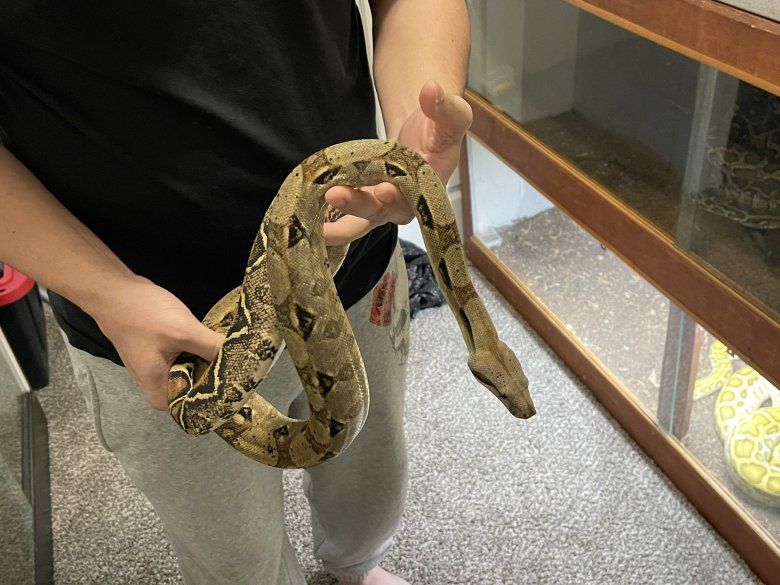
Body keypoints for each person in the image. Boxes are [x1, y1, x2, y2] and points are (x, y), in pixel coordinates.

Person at [0, 1, 472, 583]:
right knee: (235, 555)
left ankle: (357, 569)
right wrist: (105, 291)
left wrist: (419, 125)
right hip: (164, 335)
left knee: (372, 480)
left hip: (355, 261)